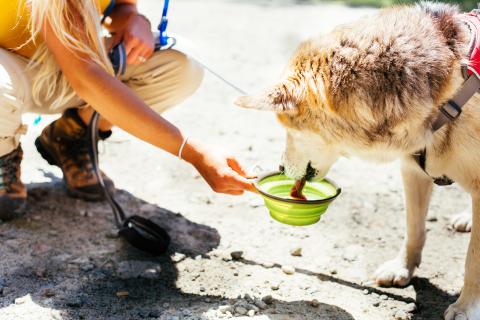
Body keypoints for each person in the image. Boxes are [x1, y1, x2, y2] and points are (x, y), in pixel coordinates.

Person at [0, 0, 255, 220]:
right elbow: (87, 79)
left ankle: (72, 134)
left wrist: (134, 19)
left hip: (66, 58)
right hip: (12, 65)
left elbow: (120, 6)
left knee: (181, 66)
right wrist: (193, 152)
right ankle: (4, 154)